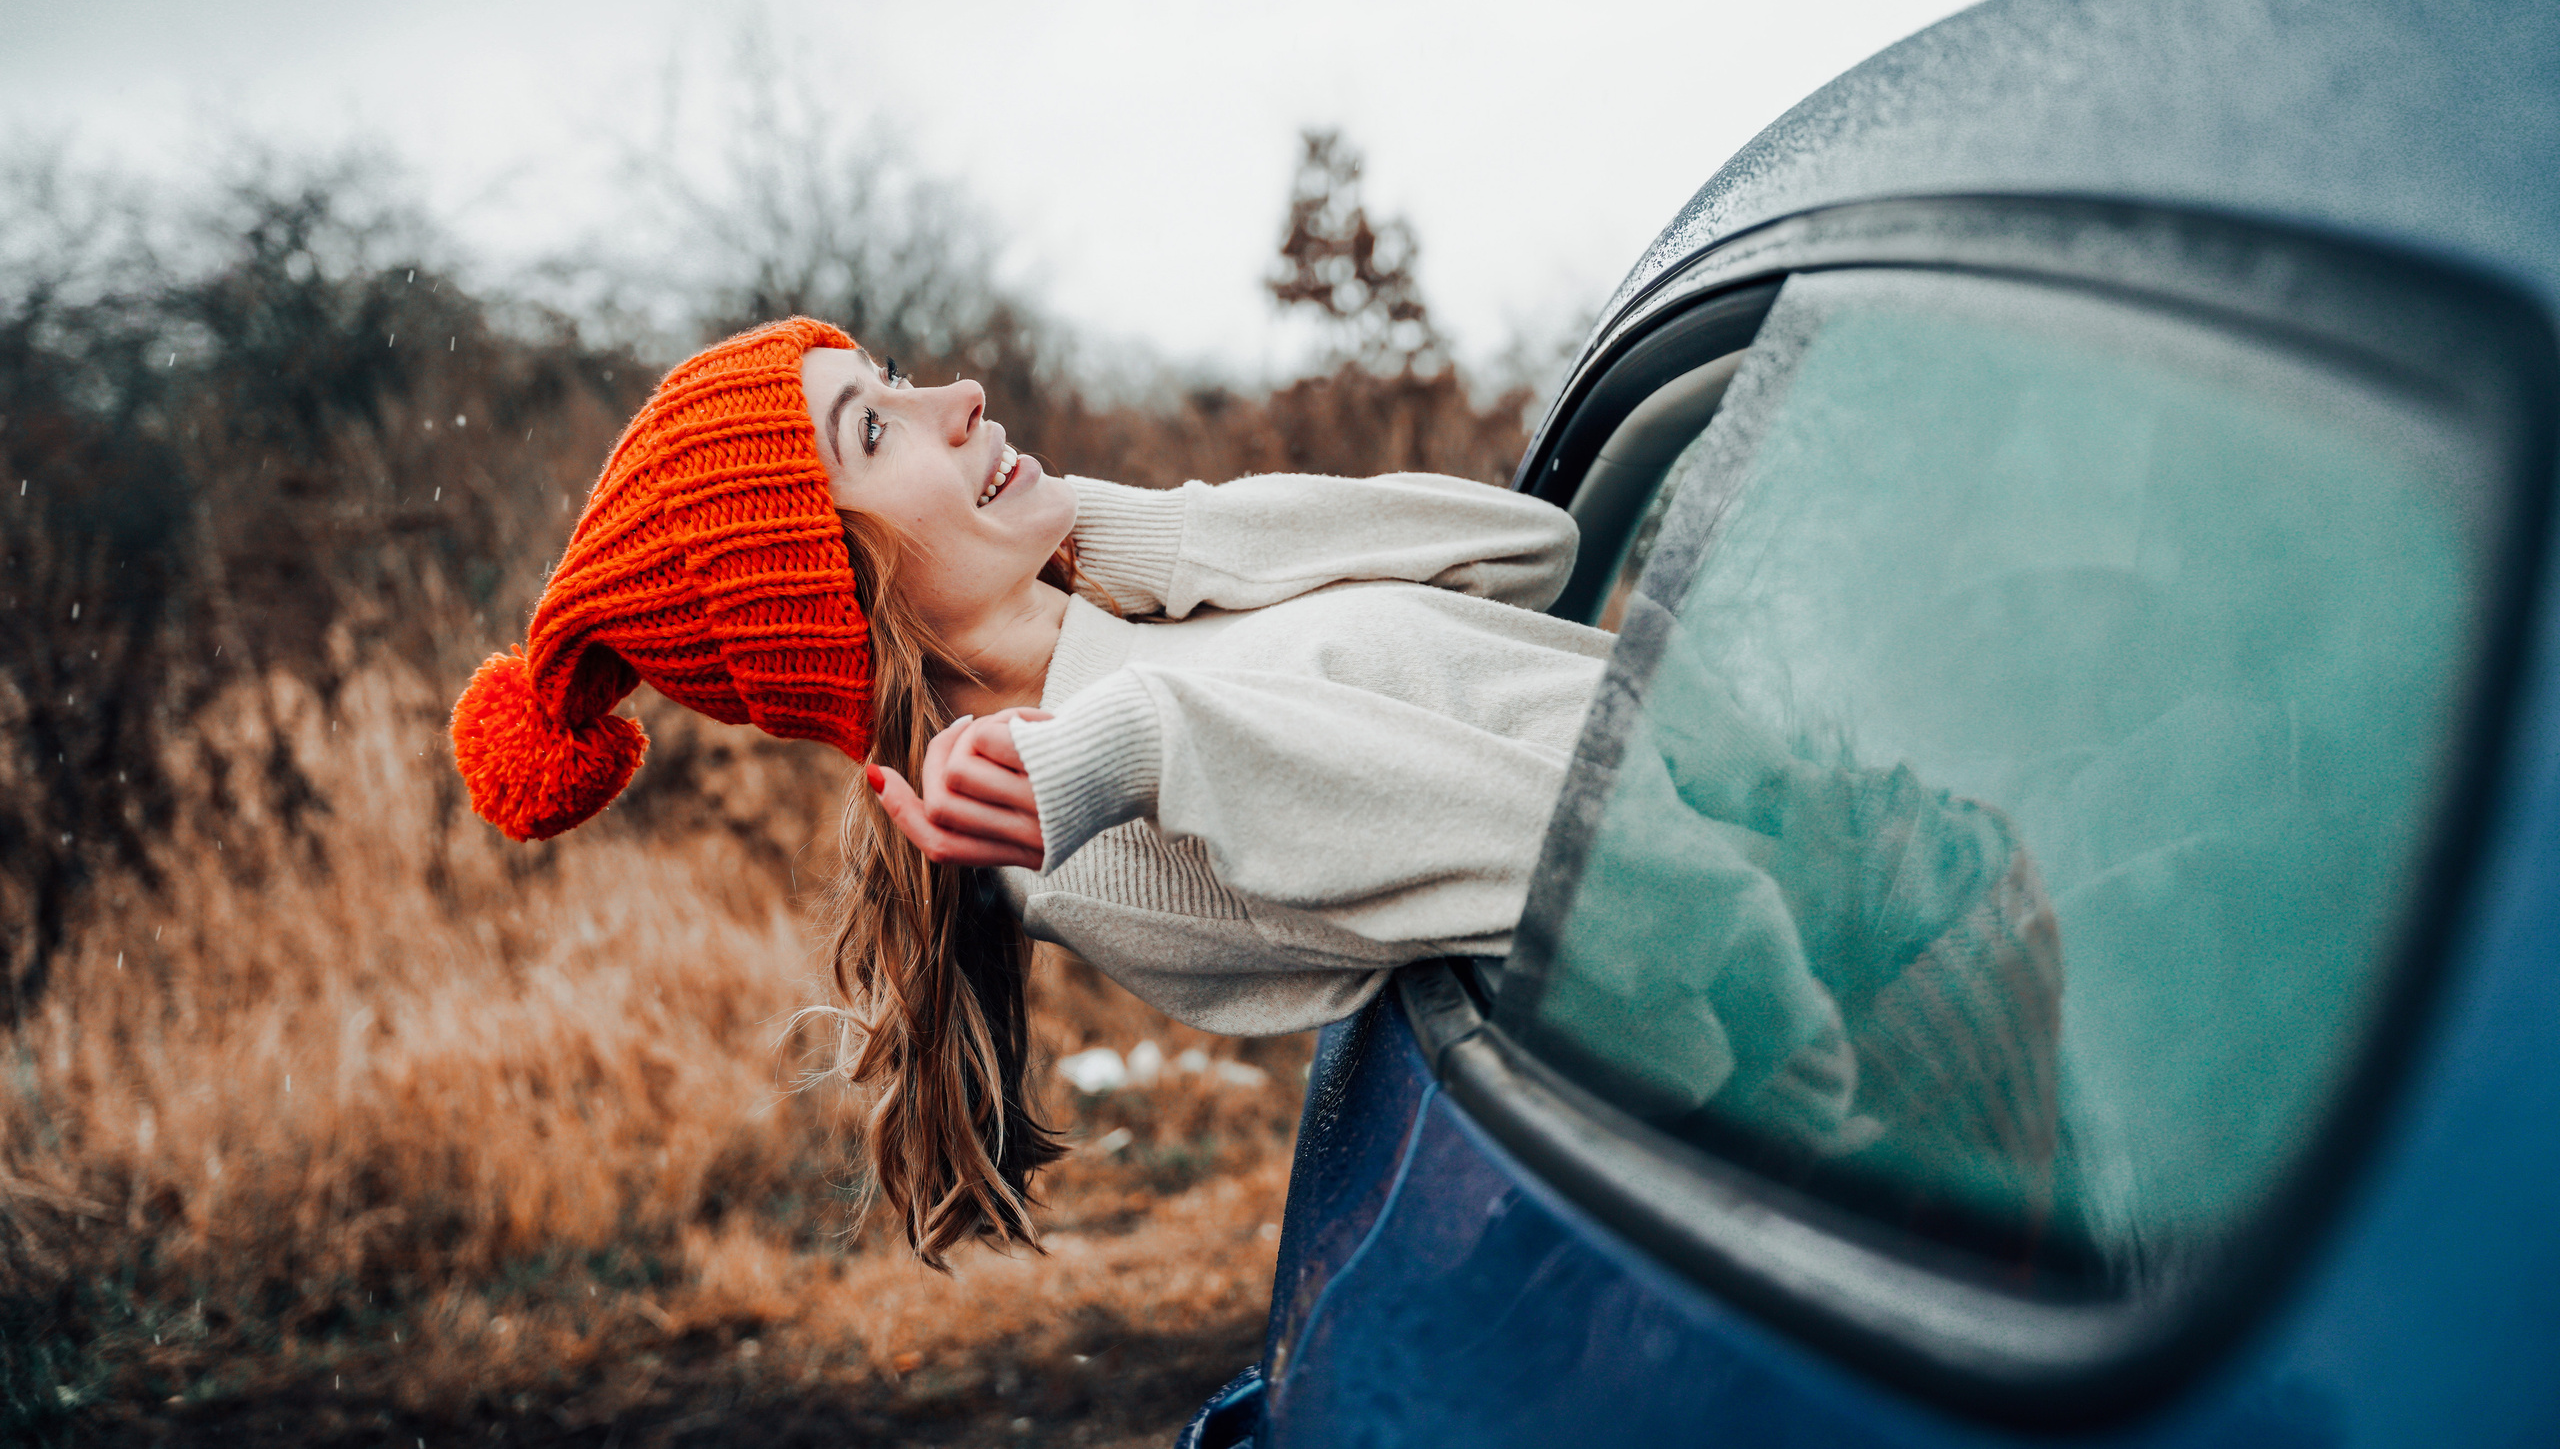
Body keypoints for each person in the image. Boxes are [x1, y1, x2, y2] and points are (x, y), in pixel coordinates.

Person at [448, 316, 2057, 1268]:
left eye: (900, 376)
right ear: (840, 600)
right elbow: (1608, 872)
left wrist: (1128, 530)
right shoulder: (1093, 836)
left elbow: (1527, 552)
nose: (958, 403)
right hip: (1880, 1025)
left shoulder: (1157, 621)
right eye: (877, 429)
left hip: (1912, 870)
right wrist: (1839, 1120)